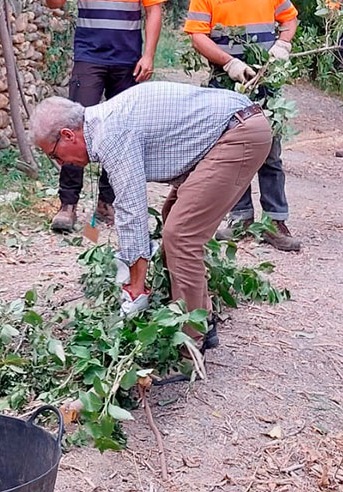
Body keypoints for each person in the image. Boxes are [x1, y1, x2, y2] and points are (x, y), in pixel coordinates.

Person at [29, 81, 272, 356]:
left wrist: (136, 288)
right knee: (174, 219)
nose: (61, 163)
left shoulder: (111, 133)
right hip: (233, 128)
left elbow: (132, 210)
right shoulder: (105, 123)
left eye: (54, 154)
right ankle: (201, 318)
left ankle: (190, 344)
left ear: (68, 135)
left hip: (239, 133)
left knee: (181, 235)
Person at [185, 0, 302, 251]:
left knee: (270, 152)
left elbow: (289, 20)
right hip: (226, 83)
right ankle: (241, 218)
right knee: (232, 154)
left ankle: (275, 221)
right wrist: (229, 63)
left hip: (265, 79)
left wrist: (283, 43)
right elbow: (198, 36)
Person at [43, 0, 166, 232]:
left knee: (121, 132)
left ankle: (106, 202)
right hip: (89, 58)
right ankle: (67, 205)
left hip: (128, 60)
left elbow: (153, 10)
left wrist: (148, 55)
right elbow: (54, 4)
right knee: (74, 127)